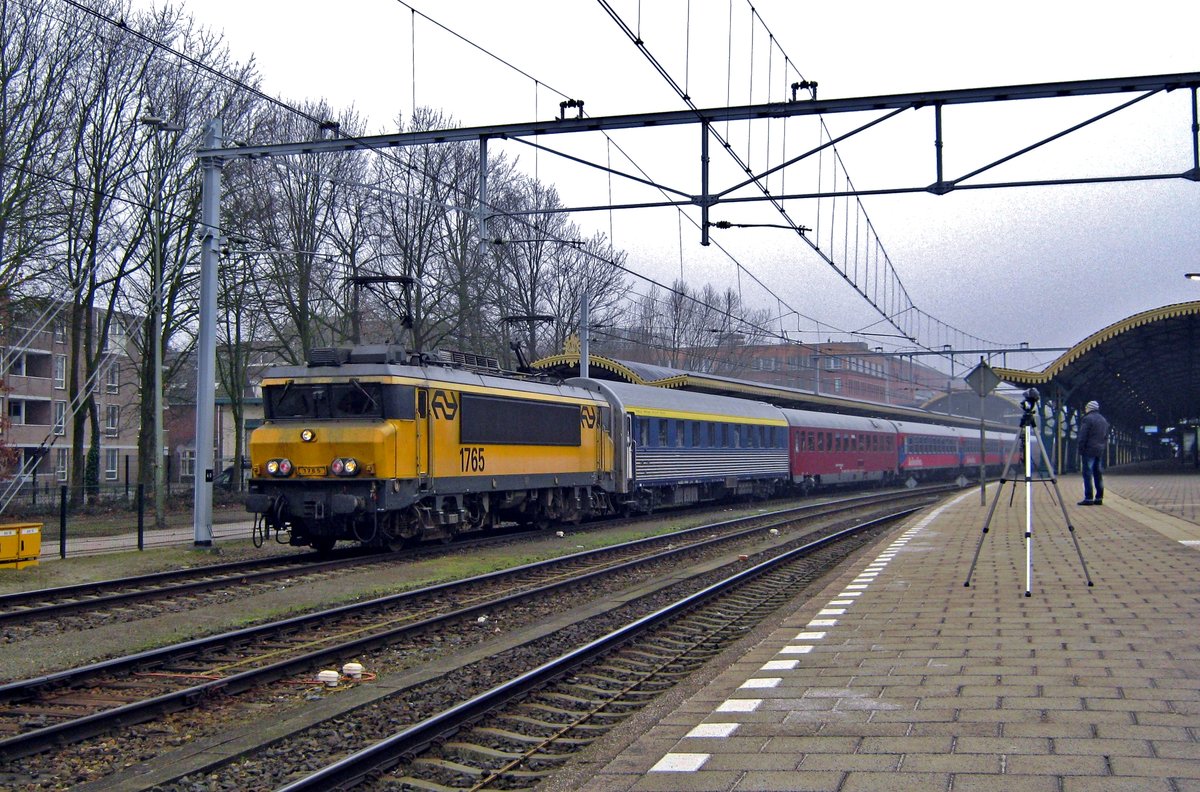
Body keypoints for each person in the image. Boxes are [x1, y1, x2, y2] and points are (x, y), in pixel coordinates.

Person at [1077, 400, 1109, 505]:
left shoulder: (1087, 419)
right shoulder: (1103, 420)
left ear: (1089, 408)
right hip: (1099, 450)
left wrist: (1080, 448)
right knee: (1098, 474)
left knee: (1087, 474)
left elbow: (1083, 435)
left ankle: (1088, 498)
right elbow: (1105, 437)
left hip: (1089, 449)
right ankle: (1099, 498)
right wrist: (1102, 447)